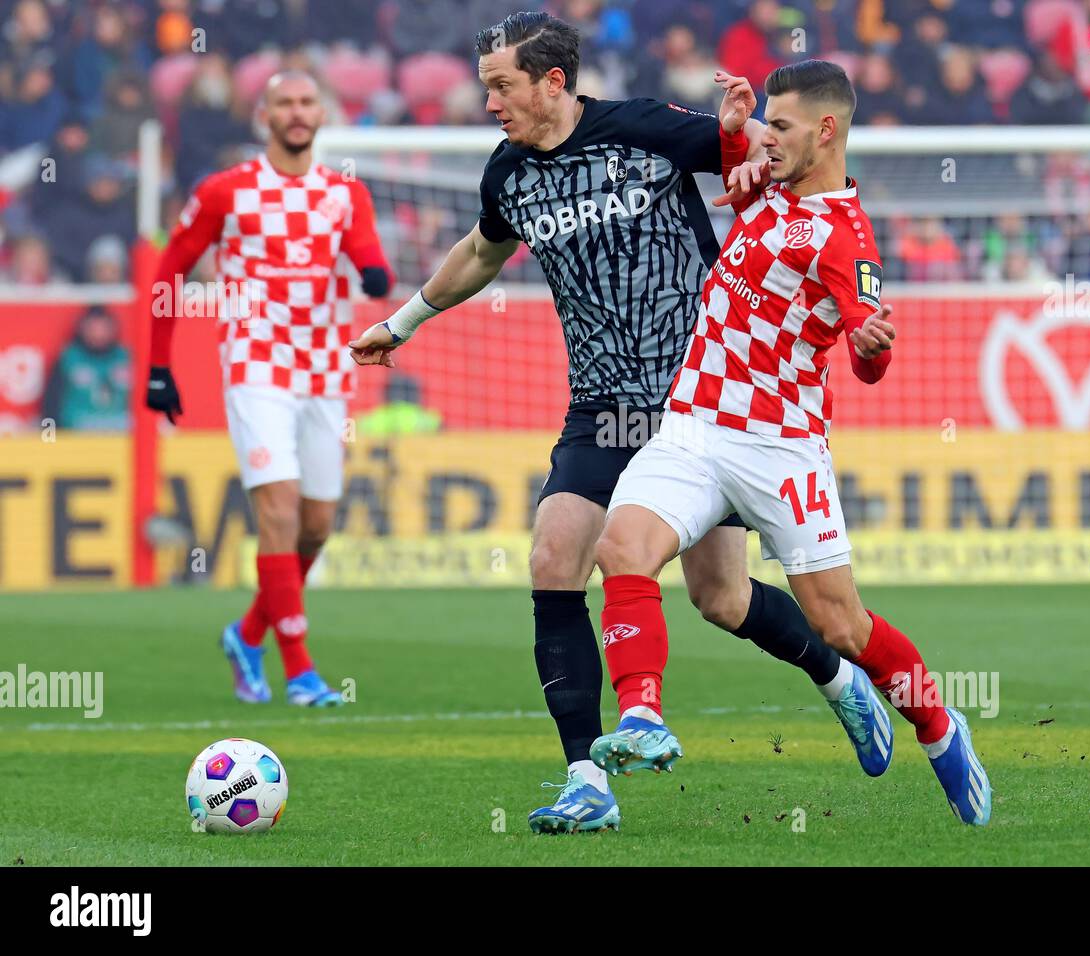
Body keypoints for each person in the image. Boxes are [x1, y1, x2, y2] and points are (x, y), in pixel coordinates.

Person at [349, 11, 897, 834]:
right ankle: (586, 777)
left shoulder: (644, 129)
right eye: (486, 85)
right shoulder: (509, 174)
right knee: (552, 557)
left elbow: (763, 163)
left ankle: (836, 674)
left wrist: (748, 135)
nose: (489, 100)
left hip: (701, 403)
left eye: (502, 84)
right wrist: (405, 321)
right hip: (599, 407)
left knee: (720, 598)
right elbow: (480, 252)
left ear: (553, 82)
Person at [588, 59, 992, 827]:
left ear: (827, 132)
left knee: (843, 625)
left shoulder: (846, 238)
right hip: (695, 424)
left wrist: (870, 344)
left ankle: (939, 727)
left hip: (780, 446)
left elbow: (871, 359)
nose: (768, 139)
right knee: (622, 547)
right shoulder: (768, 175)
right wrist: (739, 123)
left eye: (783, 125)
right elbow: (703, 147)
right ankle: (642, 717)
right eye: (768, 124)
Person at [144, 71, 394, 705]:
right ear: (263, 115)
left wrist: (373, 271)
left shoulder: (345, 194)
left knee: (315, 526)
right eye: (284, 102)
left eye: (308, 101)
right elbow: (169, 270)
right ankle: (302, 672)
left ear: (322, 112)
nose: (297, 112)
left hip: (326, 368)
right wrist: (158, 365)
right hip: (256, 365)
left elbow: (368, 256)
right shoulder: (227, 191)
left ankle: (247, 632)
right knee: (278, 512)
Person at [41, 306, 131, 431]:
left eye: (103, 328)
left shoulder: (126, 358)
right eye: (93, 328)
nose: (98, 334)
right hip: (77, 435)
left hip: (121, 434)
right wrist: (52, 437)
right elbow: (51, 400)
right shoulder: (69, 358)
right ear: (82, 329)